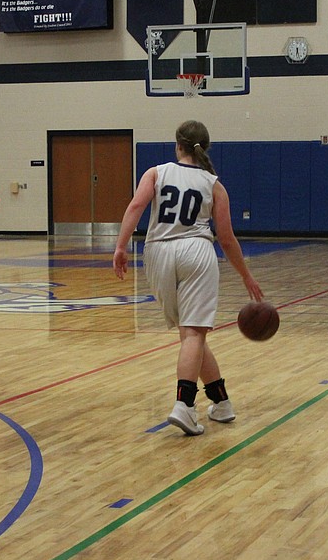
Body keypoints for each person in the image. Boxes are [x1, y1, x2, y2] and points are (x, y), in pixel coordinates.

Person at [112, 120, 263, 436]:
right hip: (196, 251)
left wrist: (121, 246)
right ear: (204, 148)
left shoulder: (156, 172)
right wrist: (246, 275)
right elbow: (226, 238)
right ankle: (184, 405)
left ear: (177, 145)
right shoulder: (214, 184)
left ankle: (221, 403)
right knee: (194, 333)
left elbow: (135, 206)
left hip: (156, 253)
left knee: (190, 335)